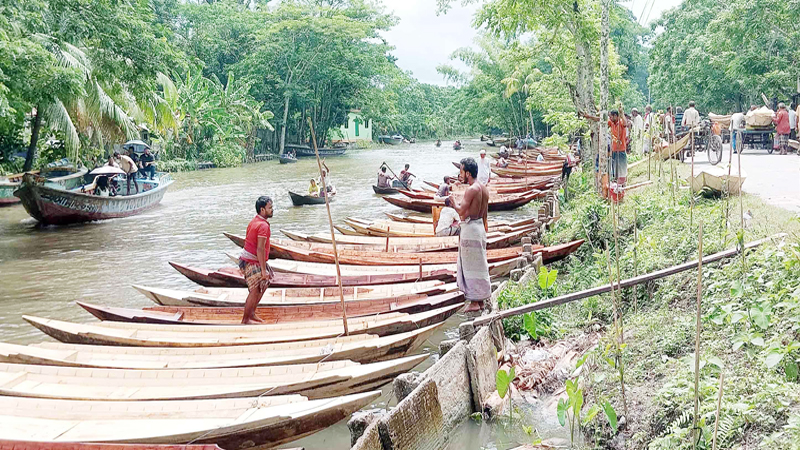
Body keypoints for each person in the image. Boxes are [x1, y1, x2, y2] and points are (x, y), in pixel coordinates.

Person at [448, 157, 490, 313]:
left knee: (470, 266)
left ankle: (474, 301)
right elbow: (485, 215)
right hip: (479, 228)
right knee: (479, 265)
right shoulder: (484, 189)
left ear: (468, 173)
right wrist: (485, 230)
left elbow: (461, 211)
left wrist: (452, 201)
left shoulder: (472, 189)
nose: (460, 175)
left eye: (462, 171)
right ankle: (480, 300)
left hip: (470, 229)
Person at [239, 196, 275, 324]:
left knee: (262, 286)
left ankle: (252, 314)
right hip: (252, 261)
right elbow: (260, 249)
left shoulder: (254, 221)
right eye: (270, 208)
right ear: (262, 210)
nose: (272, 210)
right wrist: (263, 270)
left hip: (251, 259)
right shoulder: (263, 226)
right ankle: (246, 319)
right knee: (255, 290)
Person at [608, 106, 628, 186]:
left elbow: (625, 124)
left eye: (611, 116)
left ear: (615, 116)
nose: (610, 118)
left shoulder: (621, 122)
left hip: (621, 149)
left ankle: (623, 183)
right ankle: (616, 182)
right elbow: (601, 120)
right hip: (614, 149)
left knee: (622, 167)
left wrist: (622, 113)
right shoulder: (611, 123)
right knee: (614, 167)